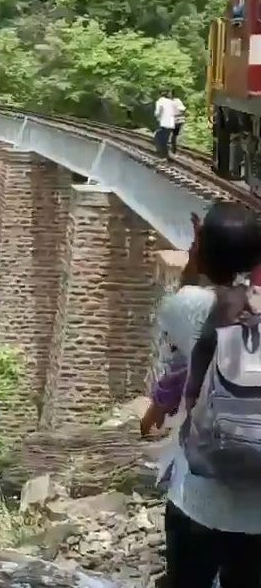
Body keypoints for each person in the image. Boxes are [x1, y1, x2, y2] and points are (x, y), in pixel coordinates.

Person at [151, 203, 261, 588]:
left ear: (201, 248)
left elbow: (173, 372)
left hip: (198, 497)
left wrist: (195, 258)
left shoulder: (184, 308)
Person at [154, 90, 176, 160]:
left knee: (158, 139)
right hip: (171, 123)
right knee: (165, 140)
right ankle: (168, 155)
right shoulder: (171, 102)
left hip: (163, 123)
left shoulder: (160, 101)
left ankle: (162, 156)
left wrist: (156, 117)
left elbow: (158, 112)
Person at [170, 90, 186, 155]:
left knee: (173, 135)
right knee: (175, 135)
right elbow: (183, 110)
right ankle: (174, 149)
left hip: (173, 120)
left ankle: (174, 150)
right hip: (179, 120)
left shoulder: (171, 102)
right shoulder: (178, 101)